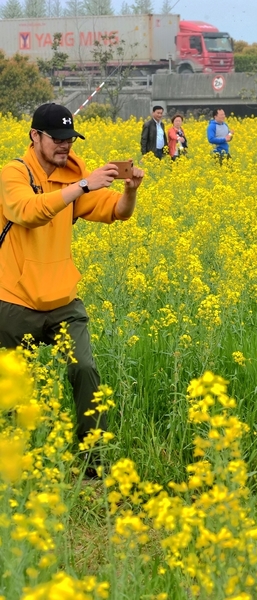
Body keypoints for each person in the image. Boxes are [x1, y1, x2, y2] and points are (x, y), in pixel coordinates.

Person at [0, 103, 145, 474]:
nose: (65, 145)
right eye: (58, 138)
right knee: (15, 390)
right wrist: (81, 185)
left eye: (70, 138)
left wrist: (130, 191)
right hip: (14, 299)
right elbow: (27, 212)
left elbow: (117, 211)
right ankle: (16, 464)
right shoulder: (12, 174)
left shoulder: (72, 176)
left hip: (62, 298)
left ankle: (94, 462)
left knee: (85, 370)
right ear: (35, 136)